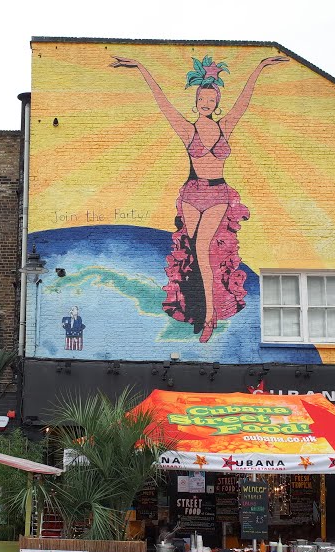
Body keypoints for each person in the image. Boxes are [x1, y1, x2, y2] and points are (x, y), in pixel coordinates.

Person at [111, 53, 287, 342]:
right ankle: (195, 310)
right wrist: (142, 67)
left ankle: (210, 318)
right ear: (196, 102)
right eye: (202, 99)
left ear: (216, 103)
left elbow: (244, 101)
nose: (206, 103)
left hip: (217, 194)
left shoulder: (225, 127)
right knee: (192, 254)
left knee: (203, 250)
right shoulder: (187, 129)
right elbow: (162, 102)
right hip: (192, 194)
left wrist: (259, 67)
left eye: (211, 100)